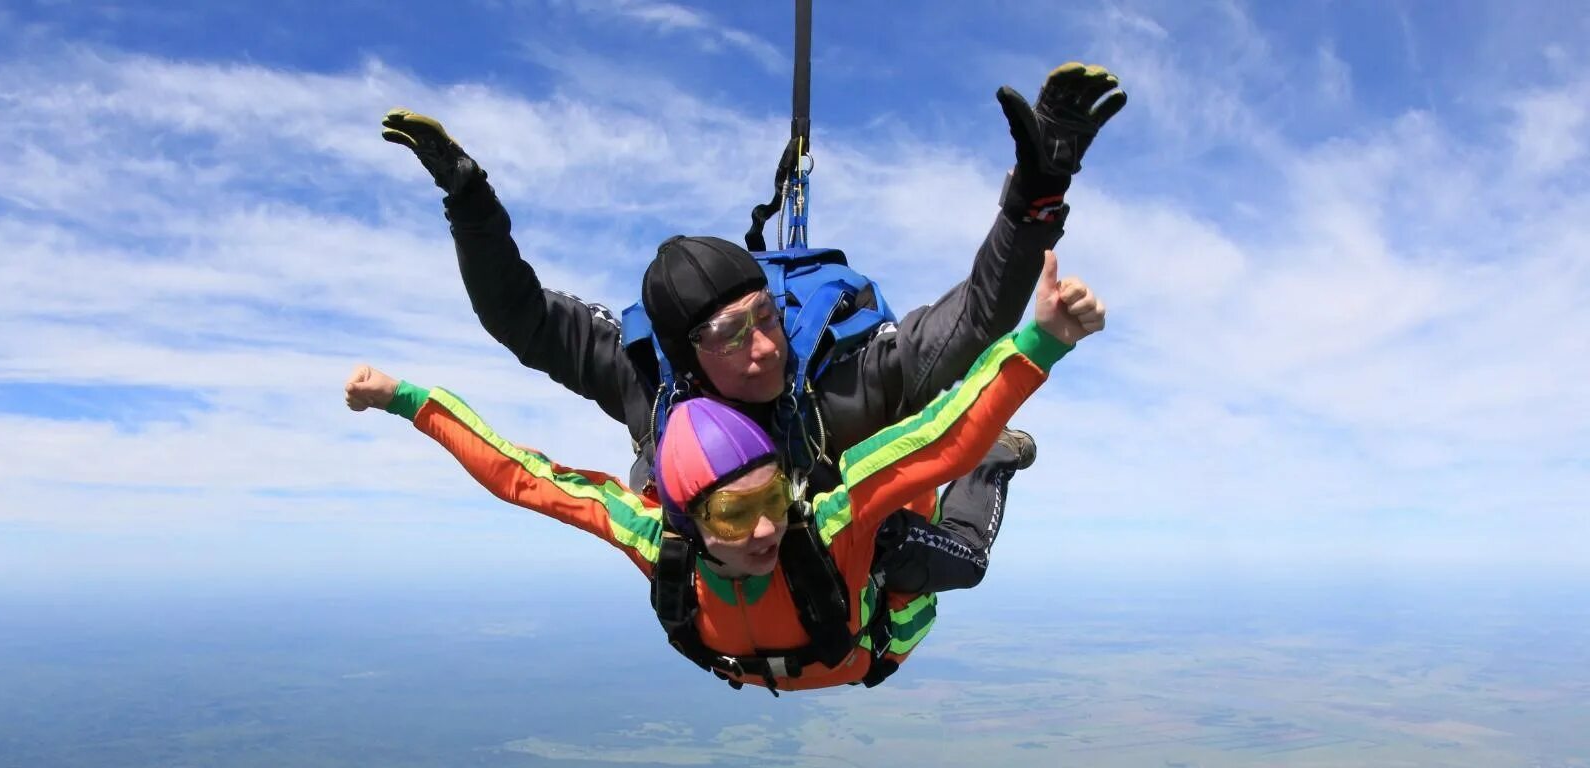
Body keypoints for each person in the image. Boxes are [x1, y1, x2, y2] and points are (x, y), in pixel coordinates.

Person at [378, 63, 1125, 598]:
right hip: (738, 573)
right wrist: (470, 206)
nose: (767, 347)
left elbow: (975, 321)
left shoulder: (838, 379)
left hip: (865, 529)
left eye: (767, 318)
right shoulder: (645, 374)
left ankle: (989, 460)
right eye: (734, 335)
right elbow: (521, 318)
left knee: (940, 561)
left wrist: (1037, 194)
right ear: (685, 352)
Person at [344, 252, 1104, 692]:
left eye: (772, 497)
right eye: (737, 517)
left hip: (875, 643)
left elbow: (942, 440)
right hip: (821, 658)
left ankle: (1003, 464)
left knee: (958, 562)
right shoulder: (652, 535)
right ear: (689, 518)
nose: (768, 527)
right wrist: (408, 400)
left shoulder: (827, 517)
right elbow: (520, 476)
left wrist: (1040, 342)